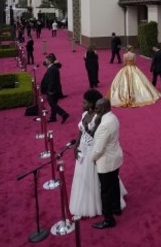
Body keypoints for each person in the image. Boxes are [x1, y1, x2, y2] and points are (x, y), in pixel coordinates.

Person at [70, 89, 127, 218]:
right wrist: (76, 145)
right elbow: (80, 131)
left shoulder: (100, 118)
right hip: (83, 150)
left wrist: (92, 157)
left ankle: (107, 210)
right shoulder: (84, 114)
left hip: (95, 152)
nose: (82, 104)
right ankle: (111, 205)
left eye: (84, 102)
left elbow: (97, 137)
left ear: (91, 104)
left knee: (104, 183)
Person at [91, 98, 123, 229]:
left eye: (97, 108)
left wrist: (92, 158)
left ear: (103, 108)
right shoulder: (113, 117)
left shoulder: (104, 124)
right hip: (115, 157)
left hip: (106, 161)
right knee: (114, 183)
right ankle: (117, 208)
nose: (95, 110)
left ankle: (108, 219)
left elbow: (98, 149)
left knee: (105, 191)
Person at [40, 53, 69, 123]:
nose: (45, 62)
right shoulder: (53, 68)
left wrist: (50, 91)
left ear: (49, 61)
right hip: (55, 89)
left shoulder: (51, 69)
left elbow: (52, 81)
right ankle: (53, 117)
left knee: (52, 104)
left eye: (46, 60)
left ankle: (63, 114)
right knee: (54, 104)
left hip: (52, 91)